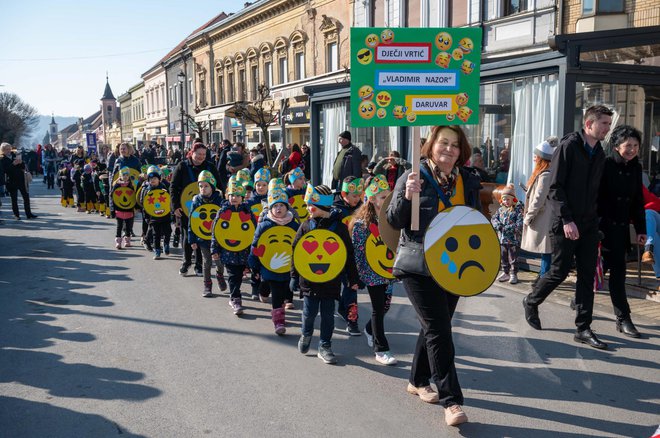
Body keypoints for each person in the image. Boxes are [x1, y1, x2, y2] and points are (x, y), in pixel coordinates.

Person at [387, 125, 481, 427]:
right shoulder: (413, 175)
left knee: (435, 326)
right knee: (440, 329)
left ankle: (417, 379)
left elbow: (474, 222)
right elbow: (393, 220)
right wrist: (405, 195)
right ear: (430, 145)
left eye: (455, 145)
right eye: (443, 142)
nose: (449, 150)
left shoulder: (467, 180)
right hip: (418, 264)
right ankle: (452, 400)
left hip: (453, 265)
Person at [523, 105, 612, 350]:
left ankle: (583, 328)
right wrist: (566, 220)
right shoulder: (569, 147)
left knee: (587, 275)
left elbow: (597, 191)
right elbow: (554, 187)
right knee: (559, 271)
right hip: (565, 222)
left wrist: (598, 221)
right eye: (603, 123)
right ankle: (532, 300)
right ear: (589, 124)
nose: (607, 128)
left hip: (589, 223)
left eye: (608, 123)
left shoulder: (600, 153)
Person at [292, 184, 359, 364]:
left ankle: (325, 345)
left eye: (310, 205)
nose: (307, 209)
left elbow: (348, 254)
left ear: (322, 207)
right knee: (309, 312)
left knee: (328, 315)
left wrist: (353, 278)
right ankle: (306, 334)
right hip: (309, 280)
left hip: (331, 280)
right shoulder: (306, 225)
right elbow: (296, 251)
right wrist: (293, 276)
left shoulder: (339, 228)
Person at [597, 125, 646, 338]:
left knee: (618, 276)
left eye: (635, 145)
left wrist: (641, 230)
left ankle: (623, 318)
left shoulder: (636, 168)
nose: (632, 149)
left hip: (621, 231)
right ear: (616, 146)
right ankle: (580, 302)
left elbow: (638, 201)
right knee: (594, 273)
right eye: (628, 145)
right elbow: (594, 197)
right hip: (602, 230)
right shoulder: (605, 165)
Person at [349, 174, 397, 366]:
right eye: (384, 197)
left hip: (388, 272)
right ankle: (381, 349)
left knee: (385, 307)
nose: (387, 200)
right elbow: (358, 252)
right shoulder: (362, 225)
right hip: (371, 273)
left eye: (388, 196)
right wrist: (357, 276)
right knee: (378, 308)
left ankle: (370, 330)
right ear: (372, 199)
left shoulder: (391, 219)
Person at [248, 187, 299, 334]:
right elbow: (255, 245)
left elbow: (299, 246)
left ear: (286, 207)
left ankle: (272, 301)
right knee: (274, 289)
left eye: (281, 205)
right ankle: (278, 320)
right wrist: (254, 266)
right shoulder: (264, 225)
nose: (278, 208)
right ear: (270, 208)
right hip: (269, 265)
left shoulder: (294, 225)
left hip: (287, 266)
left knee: (283, 290)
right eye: (275, 205)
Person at [171, 143, 222, 276]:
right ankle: (187, 262)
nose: (201, 157)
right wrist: (175, 206)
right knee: (188, 236)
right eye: (199, 154)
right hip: (186, 207)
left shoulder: (210, 166)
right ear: (191, 153)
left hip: (207, 208)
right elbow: (173, 187)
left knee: (203, 236)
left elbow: (219, 185)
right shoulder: (182, 166)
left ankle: (199, 264)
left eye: (204, 154)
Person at [211, 176, 255, 315]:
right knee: (232, 275)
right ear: (227, 196)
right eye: (231, 195)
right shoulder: (222, 211)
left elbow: (254, 230)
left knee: (239, 275)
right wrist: (215, 249)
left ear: (242, 197)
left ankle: (235, 295)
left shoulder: (247, 212)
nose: (234, 198)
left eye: (237, 195)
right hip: (227, 250)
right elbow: (216, 231)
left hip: (243, 251)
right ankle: (236, 298)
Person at [521, 139, 557, 286]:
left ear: (542, 158)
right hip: (544, 216)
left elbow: (539, 199)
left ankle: (544, 277)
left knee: (546, 248)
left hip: (543, 217)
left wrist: (529, 216)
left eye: (536, 156)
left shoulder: (545, 175)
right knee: (545, 249)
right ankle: (543, 276)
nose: (534, 158)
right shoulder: (545, 173)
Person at [333, 176, 364, 335]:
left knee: (352, 286)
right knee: (339, 285)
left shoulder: (362, 208)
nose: (357, 199)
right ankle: (341, 307)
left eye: (359, 195)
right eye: (354, 196)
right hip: (338, 254)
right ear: (344, 194)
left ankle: (352, 321)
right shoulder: (334, 210)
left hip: (354, 256)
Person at [189, 171, 226, 296]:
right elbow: (192, 221)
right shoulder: (196, 202)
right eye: (200, 186)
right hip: (202, 238)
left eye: (206, 186)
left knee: (219, 262)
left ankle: (220, 274)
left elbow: (225, 220)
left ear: (212, 186)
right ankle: (207, 285)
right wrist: (192, 240)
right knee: (207, 262)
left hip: (218, 238)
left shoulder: (220, 201)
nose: (203, 189)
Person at [491, 184, 524, 284]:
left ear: (513, 199)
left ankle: (513, 273)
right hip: (502, 239)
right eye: (504, 199)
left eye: (508, 199)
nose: (506, 202)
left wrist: (506, 228)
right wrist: (498, 225)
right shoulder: (500, 210)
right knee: (503, 256)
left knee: (513, 257)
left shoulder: (518, 210)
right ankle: (505, 272)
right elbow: (494, 219)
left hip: (513, 239)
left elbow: (519, 223)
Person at [140, 168, 172, 259]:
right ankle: (157, 251)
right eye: (150, 179)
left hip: (165, 216)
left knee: (167, 232)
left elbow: (169, 202)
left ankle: (166, 244)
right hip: (153, 217)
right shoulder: (147, 190)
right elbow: (144, 205)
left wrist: (172, 214)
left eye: (155, 178)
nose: (152, 180)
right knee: (156, 234)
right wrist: (146, 217)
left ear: (159, 179)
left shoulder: (164, 189)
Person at [0, 143, 37, 220]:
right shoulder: (2, 159)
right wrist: (13, 164)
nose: (9, 151)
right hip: (11, 181)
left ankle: (29, 214)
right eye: (7, 149)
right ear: (3, 150)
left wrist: (21, 163)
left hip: (21, 179)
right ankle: (16, 215)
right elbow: (5, 170)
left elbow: (23, 167)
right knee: (14, 199)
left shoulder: (14, 155)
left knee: (26, 197)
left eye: (9, 149)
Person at [110, 167, 136, 249]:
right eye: (123, 175)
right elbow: (112, 197)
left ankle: (127, 241)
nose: (125, 177)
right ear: (120, 176)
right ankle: (118, 242)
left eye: (127, 175)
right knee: (119, 227)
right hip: (119, 209)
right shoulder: (117, 185)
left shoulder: (131, 185)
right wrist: (112, 209)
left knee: (128, 227)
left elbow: (133, 197)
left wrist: (134, 208)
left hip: (129, 210)